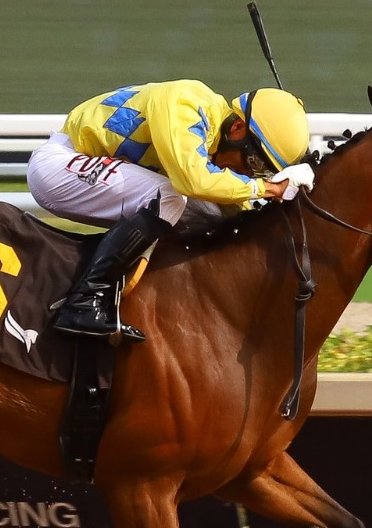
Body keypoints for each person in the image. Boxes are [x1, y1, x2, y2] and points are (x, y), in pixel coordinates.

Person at [27, 80, 315, 341]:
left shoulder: (213, 135)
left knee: (214, 217)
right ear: (237, 129)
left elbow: (232, 206)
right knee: (169, 197)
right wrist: (270, 188)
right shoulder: (186, 103)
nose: (249, 174)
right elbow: (194, 181)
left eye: (262, 171)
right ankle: (84, 300)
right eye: (253, 164)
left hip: (94, 169)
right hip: (60, 165)